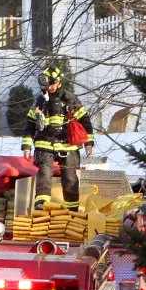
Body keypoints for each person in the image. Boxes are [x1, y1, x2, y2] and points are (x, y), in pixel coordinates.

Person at [21, 65, 94, 212]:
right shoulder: (40, 102)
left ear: (59, 82)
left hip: (68, 146)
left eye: (52, 84)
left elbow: (85, 121)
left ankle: (72, 209)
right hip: (45, 143)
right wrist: (27, 146)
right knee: (44, 172)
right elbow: (29, 125)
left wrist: (88, 143)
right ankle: (41, 203)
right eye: (47, 85)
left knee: (70, 178)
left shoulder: (70, 99)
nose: (49, 87)